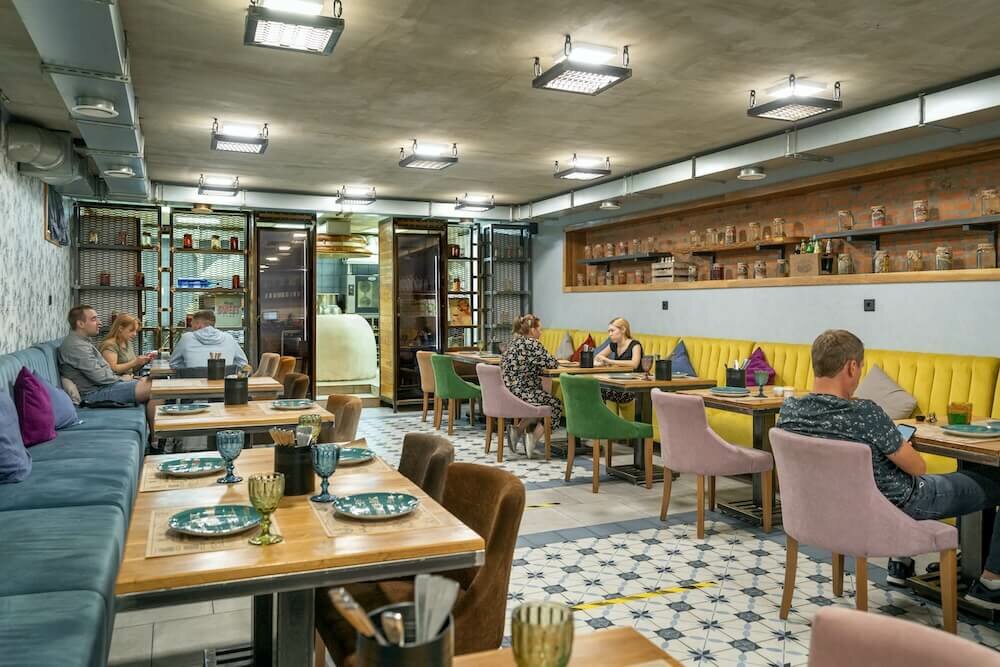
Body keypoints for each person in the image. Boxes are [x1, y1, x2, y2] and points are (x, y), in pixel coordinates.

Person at [777, 329, 1000, 608]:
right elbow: (918, 467)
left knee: (966, 474)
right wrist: (896, 442)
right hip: (900, 504)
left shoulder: (790, 410)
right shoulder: (865, 413)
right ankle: (991, 582)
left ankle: (902, 562)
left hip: (828, 509)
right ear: (852, 366)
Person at [59, 305, 157, 433]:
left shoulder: (82, 343)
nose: (99, 322)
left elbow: (104, 373)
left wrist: (130, 377)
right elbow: (101, 377)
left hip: (103, 387)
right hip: (93, 395)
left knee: (155, 385)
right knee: (156, 387)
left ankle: (155, 439)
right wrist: (124, 379)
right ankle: (157, 439)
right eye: (94, 319)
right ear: (80, 324)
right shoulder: (76, 346)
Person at [500, 314, 562, 454]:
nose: (541, 332)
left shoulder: (514, 342)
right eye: (540, 329)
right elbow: (553, 364)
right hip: (523, 392)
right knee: (555, 405)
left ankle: (517, 431)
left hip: (508, 393)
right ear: (533, 330)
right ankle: (532, 439)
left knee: (540, 402)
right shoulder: (533, 344)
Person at [170, 310, 249, 370]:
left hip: (192, 384)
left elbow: (174, 363)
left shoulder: (186, 338)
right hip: (223, 385)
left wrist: (189, 370)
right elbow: (242, 363)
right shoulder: (229, 338)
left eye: (192, 323)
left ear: (199, 325)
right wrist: (226, 369)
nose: (191, 326)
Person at [594, 317, 643, 408]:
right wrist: (603, 362)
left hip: (632, 388)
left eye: (612, 331)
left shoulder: (635, 345)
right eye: (609, 331)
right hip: (618, 383)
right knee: (594, 389)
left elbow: (634, 364)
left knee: (598, 391)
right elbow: (598, 357)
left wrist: (609, 361)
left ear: (623, 330)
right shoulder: (614, 345)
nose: (610, 334)